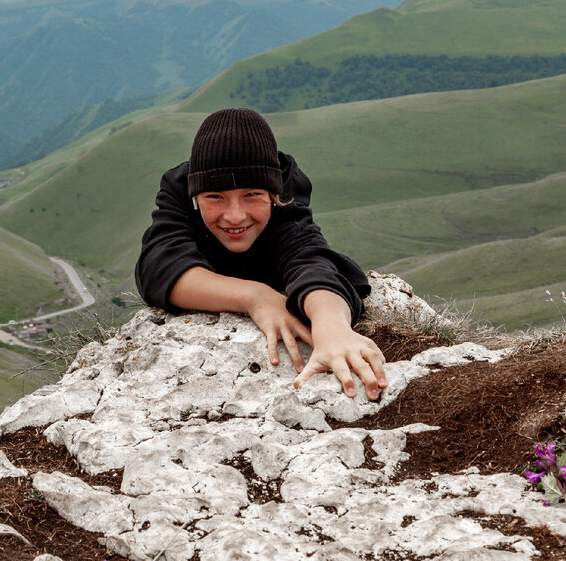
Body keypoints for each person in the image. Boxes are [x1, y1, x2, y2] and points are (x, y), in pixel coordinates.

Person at [135, 107, 387, 400]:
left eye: (252, 195)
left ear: (273, 195)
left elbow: (309, 259)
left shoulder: (285, 196)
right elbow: (159, 267)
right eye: (215, 197)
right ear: (195, 197)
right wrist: (256, 297)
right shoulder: (180, 190)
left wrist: (331, 326)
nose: (234, 216)